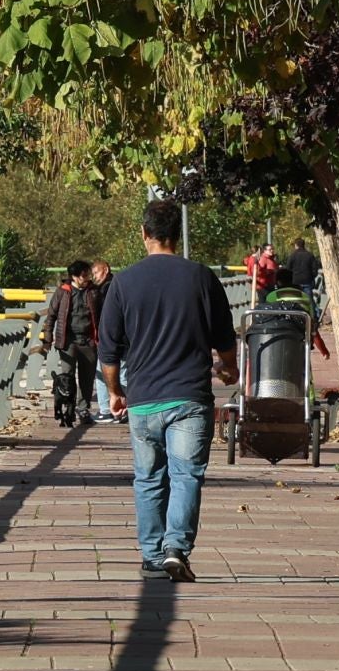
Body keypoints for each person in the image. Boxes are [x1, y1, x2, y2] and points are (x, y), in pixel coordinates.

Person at [99, 201, 238, 582]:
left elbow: (108, 352)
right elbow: (225, 338)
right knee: (186, 475)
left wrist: (115, 392)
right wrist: (230, 368)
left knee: (148, 478)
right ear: (177, 234)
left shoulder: (123, 283)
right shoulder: (202, 278)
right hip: (190, 397)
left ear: (144, 233)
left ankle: (150, 556)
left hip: (143, 399)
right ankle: (175, 548)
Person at [40, 260, 98, 426]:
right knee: (67, 376)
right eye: (84, 275)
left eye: (88, 274)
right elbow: (51, 315)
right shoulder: (63, 292)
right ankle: (68, 408)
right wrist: (47, 339)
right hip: (68, 341)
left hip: (89, 341)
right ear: (74, 276)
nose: (87, 277)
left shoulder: (94, 292)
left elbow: (102, 314)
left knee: (88, 378)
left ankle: (83, 408)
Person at [87, 259, 119, 421]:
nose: (94, 277)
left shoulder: (104, 290)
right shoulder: (119, 285)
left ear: (105, 270)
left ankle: (106, 410)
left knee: (102, 373)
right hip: (120, 336)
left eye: (96, 273)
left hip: (108, 336)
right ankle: (122, 409)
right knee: (123, 372)